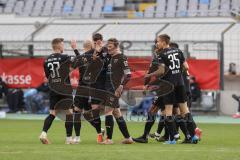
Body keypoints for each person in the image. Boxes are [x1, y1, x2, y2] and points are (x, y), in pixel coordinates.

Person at [145, 34, 199, 144]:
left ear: (164, 42)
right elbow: (186, 67)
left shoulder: (161, 54)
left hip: (168, 85)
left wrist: (149, 75)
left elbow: (160, 71)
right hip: (180, 84)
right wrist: (177, 72)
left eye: (158, 41)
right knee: (185, 111)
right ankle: (194, 136)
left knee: (168, 111)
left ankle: (173, 139)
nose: (157, 43)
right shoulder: (178, 51)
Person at [39, 38, 76, 144]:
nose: (63, 47)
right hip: (64, 89)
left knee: (52, 113)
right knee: (69, 113)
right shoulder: (65, 57)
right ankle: (68, 139)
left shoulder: (46, 60)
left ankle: (43, 133)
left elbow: (48, 77)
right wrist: (74, 48)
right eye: (63, 44)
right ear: (59, 46)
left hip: (53, 89)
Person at [102, 38, 133, 144]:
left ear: (116, 46)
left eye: (110, 47)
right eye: (108, 46)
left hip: (113, 89)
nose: (108, 48)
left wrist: (121, 86)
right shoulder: (110, 57)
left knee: (108, 111)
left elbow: (128, 75)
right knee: (117, 113)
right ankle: (128, 138)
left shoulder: (121, 57)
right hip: (108, 88)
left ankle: (109, 139)